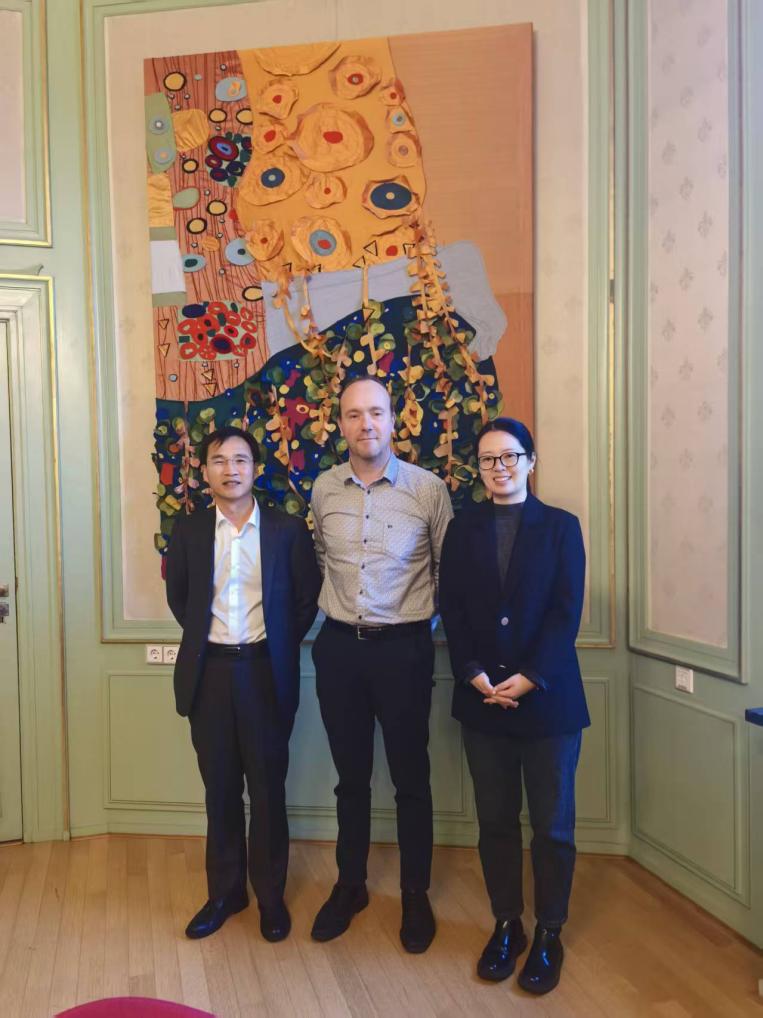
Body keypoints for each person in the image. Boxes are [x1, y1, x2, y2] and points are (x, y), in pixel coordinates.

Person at [439, 417, 589, 995]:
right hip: (483, 700)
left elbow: (565, 613)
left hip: (548, 704)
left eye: (509, 456)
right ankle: (508, 924)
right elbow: (452, 607)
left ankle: (550, 931)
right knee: (496, 822)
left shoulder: (561, 527)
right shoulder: (464, 528)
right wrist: (473, 672)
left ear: (530, 461)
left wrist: (529, 678)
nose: (499, 468)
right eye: (487, 459)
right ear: (477, 468)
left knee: (552, 827)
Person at [309, 375, 453, 953]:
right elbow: (322, 557)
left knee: (411, 779)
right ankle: (351, 885)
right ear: (340, 424)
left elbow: (446, 570)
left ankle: (415, 893)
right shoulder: (323, 489)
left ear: (394, 420)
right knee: (351, 779)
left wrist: (417, 628)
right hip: (339, 650)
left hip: (404, 652)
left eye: (375, 412)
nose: (365, 423)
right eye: (353, 414)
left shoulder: (428, 489)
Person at [165, 425, 320, 943]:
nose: (230, 470)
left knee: (268, 789)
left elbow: (305, 599)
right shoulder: (189, 531)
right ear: (205, 471)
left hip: (263, 672)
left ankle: (271, 897)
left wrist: (273, 644)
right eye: (219, 460)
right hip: (208, 674)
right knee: (221, 788)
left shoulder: (285, 530)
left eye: (239, 460)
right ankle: (225, 892)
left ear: (255, 468)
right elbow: (180, 597)